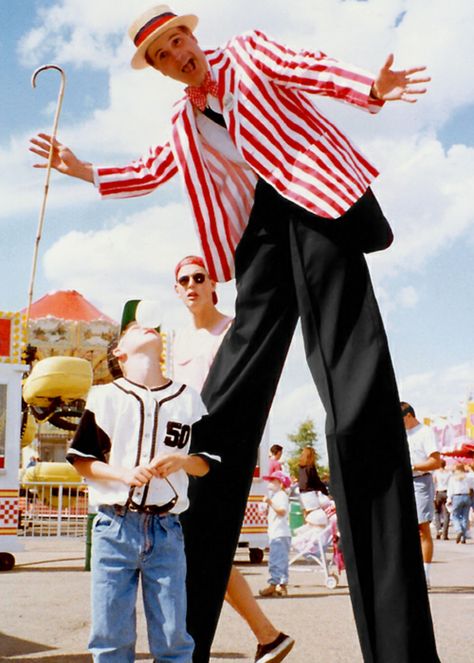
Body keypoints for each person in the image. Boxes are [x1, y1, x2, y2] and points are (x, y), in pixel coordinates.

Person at [29, 6, 439, 661]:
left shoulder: (247, 53)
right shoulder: (181, 119)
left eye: (178, 41)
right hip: (259, 242)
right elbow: (153, 169)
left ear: (192, 37)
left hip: (318, 206)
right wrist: (85, 170)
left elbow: (308, 69)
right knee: (216, 424)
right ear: (160, 68)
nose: (177, 55)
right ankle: (179, 642)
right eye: (162, 55)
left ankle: (400, 650)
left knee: (357, 402)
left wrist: (371, 88)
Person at [66, 301, 219, 662]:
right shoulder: (104, 396)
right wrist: (123, 473)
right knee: (110, 635)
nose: (144, 327)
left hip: (167, 528)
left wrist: (182, 461)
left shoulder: (187, 398)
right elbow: (83, 461)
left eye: (147, 327)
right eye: (133, 329)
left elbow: (206, 464)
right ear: (119, 352)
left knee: (172, 637)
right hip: (114, 525)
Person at [173, 255, 294, 662]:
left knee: (202, 547)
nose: (191, 284)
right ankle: (267, 634)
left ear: (213, 285)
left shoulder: (231, 330)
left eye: (198, 277)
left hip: (221, 449)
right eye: (183, 280)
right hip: (185, 451)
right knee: (204, 549)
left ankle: (199, 645)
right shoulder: (178, 340)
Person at [401, 402, 442, 588]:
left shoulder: (425, 432)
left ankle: (425, 574)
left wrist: (413, 466)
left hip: (420, 481)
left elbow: (435, 462)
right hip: (402, 482)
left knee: (421, 527)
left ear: (408, 415)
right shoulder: (401, 434)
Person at [258, 471, 292, 598]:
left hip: (280, 533)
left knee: (278, 559)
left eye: (273, 480)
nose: (270, 482)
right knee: (276, 559)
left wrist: (269, 502)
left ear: (280, 483)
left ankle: (279, 585)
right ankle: (275, 584)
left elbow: (282, 511)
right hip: (277, 533)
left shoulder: (281, 495)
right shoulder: (278, 495)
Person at [297, 445, 329, 514]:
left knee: (307, 519)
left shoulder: (301, 467)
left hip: (302, 494)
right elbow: (316, 481)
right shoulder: (310, 467)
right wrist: (326, 492)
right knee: (315, 518)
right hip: (310, 495)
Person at [447, 463, 472, 544]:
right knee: (465, 517)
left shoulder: (453, 478)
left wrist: (449, 499)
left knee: (455, 516)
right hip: (467, 496)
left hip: (457, 497)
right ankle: (463, 537)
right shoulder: (468, 477)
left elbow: (450, 489)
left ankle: (459, 530)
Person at [433, 459, 451, 540]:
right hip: (447, 492)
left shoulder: (436, 472)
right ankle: (445, 534)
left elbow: (434, 483)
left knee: (437, 512)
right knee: (446, 513)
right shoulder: (449, 473)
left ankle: (438, 530)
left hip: (438, 493)